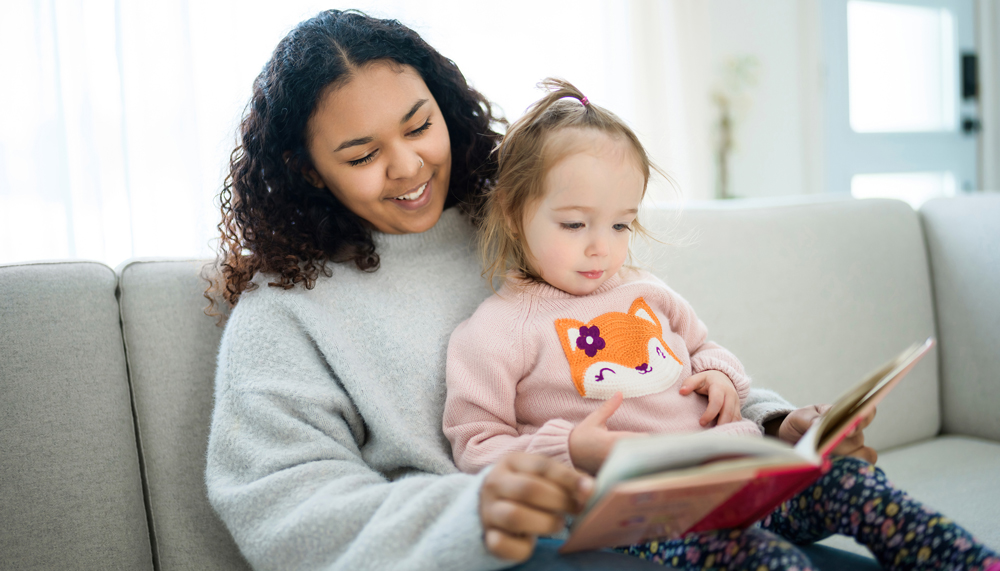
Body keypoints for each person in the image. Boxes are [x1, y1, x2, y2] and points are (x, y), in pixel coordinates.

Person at [203, 9, 894, 571]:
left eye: (419, 125)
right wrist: (468, 512)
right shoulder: (287, 308)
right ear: (308, 169)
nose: (409, 164)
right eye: (361, 155)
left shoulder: (530, 221)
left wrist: (776, 423)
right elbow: (281, 502)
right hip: (503, 549)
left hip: (670, 500)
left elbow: (666, 349)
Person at [442, 79, 1000, 571]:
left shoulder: (645, 290)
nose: (601, 247)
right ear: (514, 213)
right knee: (767, 561)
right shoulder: (496, 330)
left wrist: (718, 379)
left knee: (856, 485)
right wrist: (570, 448)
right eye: (573, 223)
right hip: (646, 514)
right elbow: (475, 444)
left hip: (737, 472)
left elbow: (706, 348)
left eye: (620, 224)